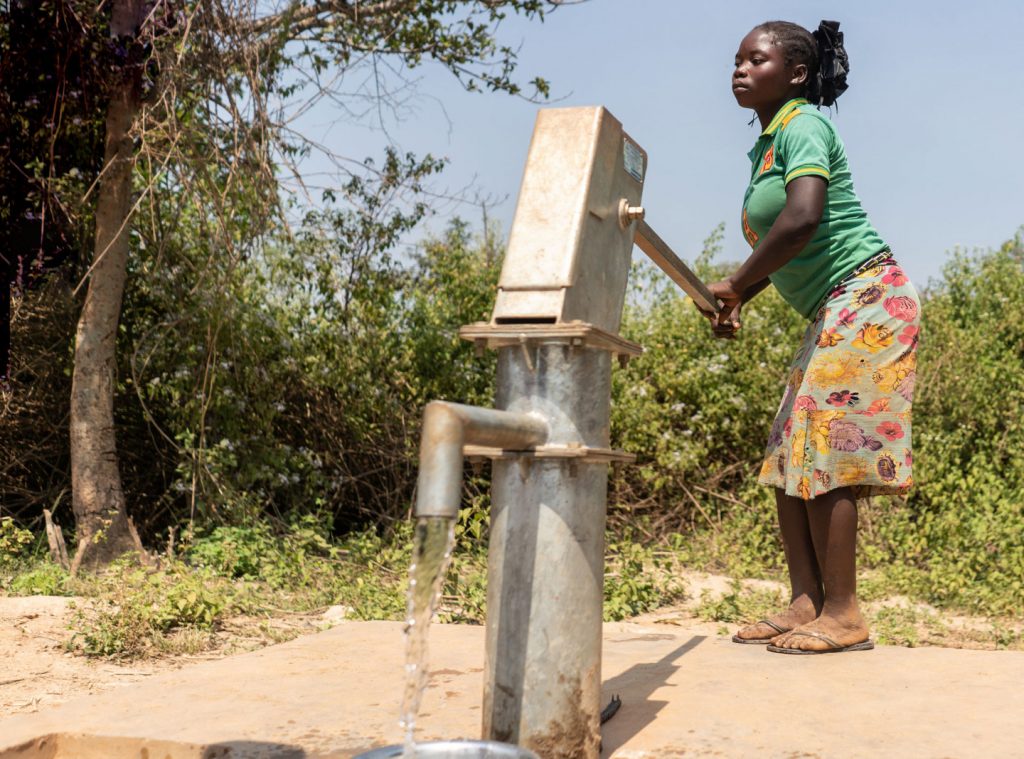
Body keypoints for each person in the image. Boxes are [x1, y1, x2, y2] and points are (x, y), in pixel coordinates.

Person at [704, 20, 920, 654]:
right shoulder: (769, 144)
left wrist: (738, 283)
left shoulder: (804, 124)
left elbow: (802, 220)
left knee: (825, 447)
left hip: (870, 299)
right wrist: (745, 291)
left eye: (756, 59)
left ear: (795, 73)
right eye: (737, 60)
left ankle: (845, 613)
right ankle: (806, 605)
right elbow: (793, 250)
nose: (739, 69)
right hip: (835, 304)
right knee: (790, 449)